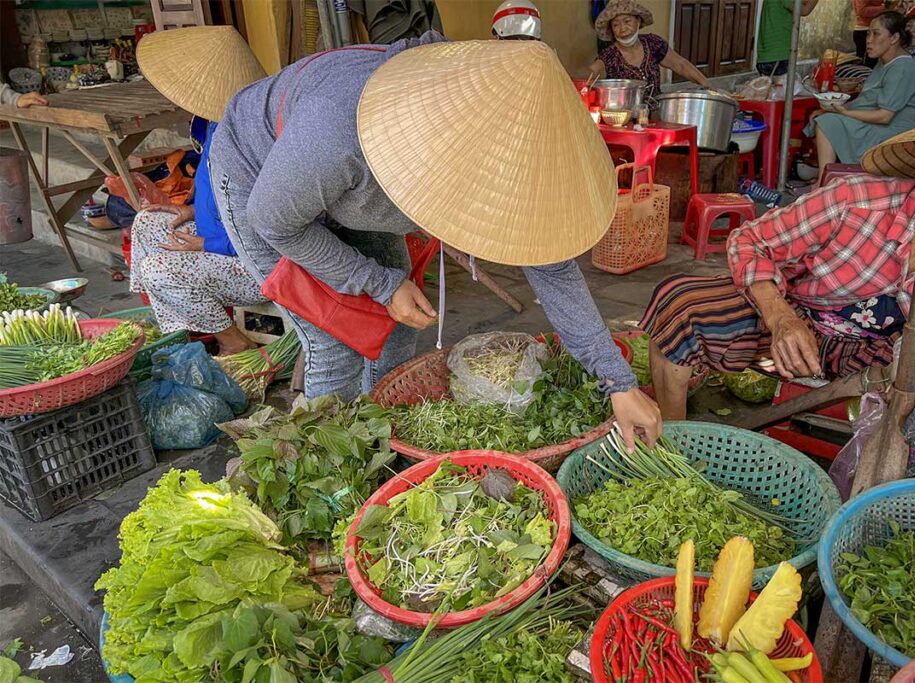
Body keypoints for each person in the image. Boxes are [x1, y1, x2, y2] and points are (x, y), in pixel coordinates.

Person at [209, 36, 663, 449]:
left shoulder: (499, 128)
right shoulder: (338, 133)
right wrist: (379, 282)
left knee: (401, 322)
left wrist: (619, 384)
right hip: (263, 184)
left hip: (340, 185)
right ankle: (339, 479)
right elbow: (275, 222)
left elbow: (552, 266)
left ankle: (379, 437)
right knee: (335, 342)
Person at [641, 90, 915, 420]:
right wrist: (781, 318)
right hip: (799, 325)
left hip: (886, 365)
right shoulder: (855, 202)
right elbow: (751, 241)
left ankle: (895, 484)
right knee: (681, 303)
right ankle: (674, 438)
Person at [131, 26, 268, 355]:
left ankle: (235, 343)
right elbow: (218, 193)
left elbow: (269, 224)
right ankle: (179, 335)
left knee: (157, 269)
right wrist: (193, 211)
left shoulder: (248, 138)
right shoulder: (211, 121)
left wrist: (209, 244)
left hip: (255, 263)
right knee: (146, 224)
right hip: (219, 242)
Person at [808, 11, 915, 185]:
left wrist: (843, 113)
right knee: (821, 117)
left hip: (890, 134)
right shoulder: (883, 62)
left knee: (828, 123)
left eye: (876, 34)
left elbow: (884, 116)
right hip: (873, 125)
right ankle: (831, 176)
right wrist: (829, 109)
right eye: (868, 33)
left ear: (894, 38)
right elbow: (867, 101)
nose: (868, 39)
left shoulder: (902, 67)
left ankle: (825, 181)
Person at [587, 0, 710, 111]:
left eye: (627, 21)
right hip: (625, 120)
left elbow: (680, 64)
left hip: (657, 114)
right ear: (611, 30)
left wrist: (706, 85)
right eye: (615, 25)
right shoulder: (609, 55)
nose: (622, 28)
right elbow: (591, 74)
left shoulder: (653, 43)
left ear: (638, 21)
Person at [756, 0, 820, 77]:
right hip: (778, 56)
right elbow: (804, 10)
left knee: (771, 88)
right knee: (782, 88)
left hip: (767, 56)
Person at [853, 0, 886, 67]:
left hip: (872, 29)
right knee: (866, 65)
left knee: (871, 62)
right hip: (864, 30)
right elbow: (861, 10)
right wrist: (883, 8)